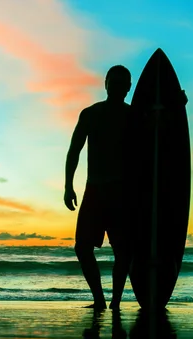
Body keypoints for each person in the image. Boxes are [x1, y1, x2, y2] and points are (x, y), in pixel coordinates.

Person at [64, 65, 133, 311]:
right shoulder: (91, 114)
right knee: (82, 247)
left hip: (122, 193)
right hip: (94, 191)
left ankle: (115, 302)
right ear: (105, 84)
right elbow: (75, 150)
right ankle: (100, 299)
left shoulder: (133, 116)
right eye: (113, 82)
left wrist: (178, 105)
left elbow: (160, 140)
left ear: (129, 87)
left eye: (122, 83)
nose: (117, 87)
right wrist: (68, 185)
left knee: (124, 251)